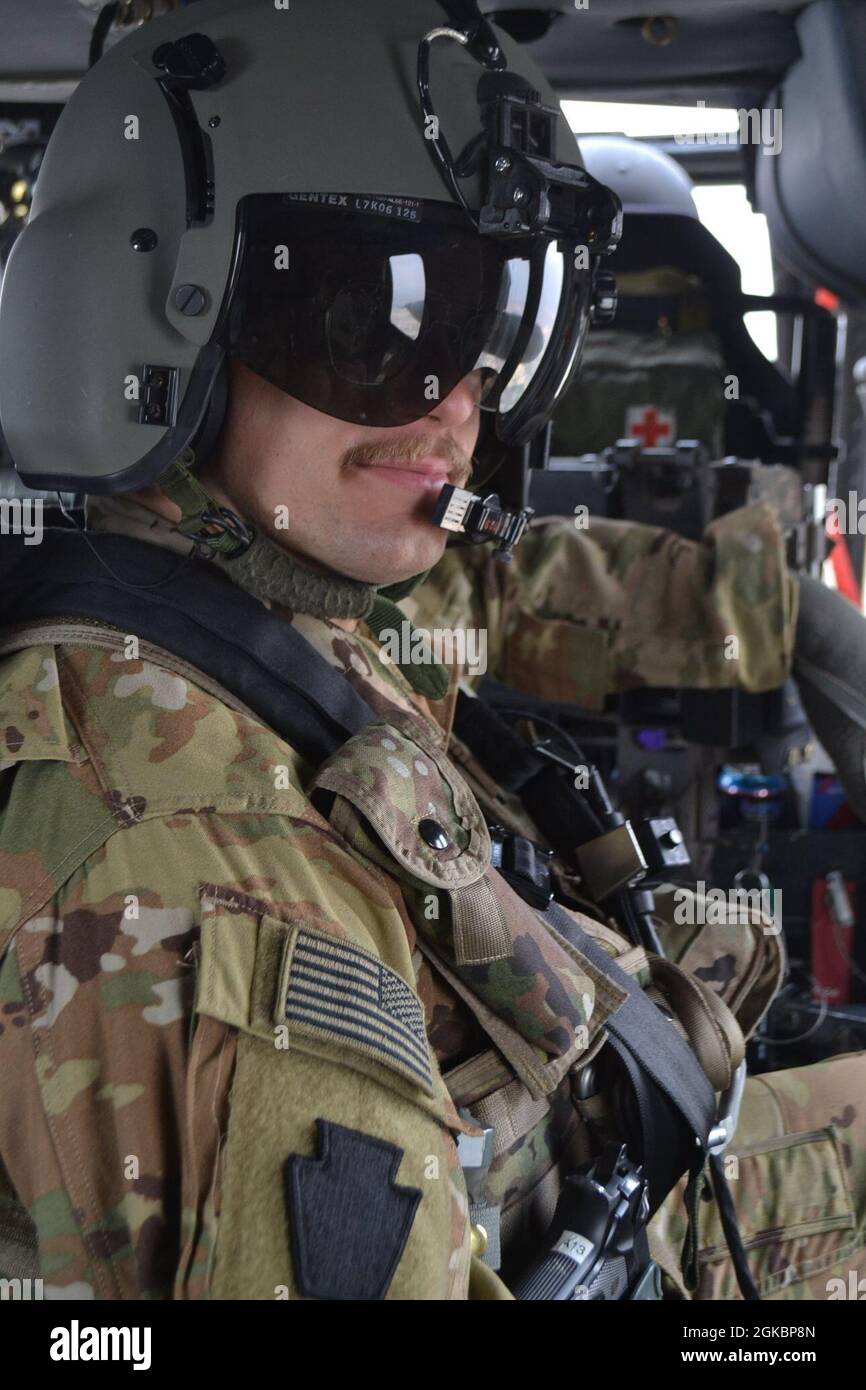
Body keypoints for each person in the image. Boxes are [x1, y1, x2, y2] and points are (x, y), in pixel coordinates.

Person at [0, 0, 863, 1301]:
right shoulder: (216, 899)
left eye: (491, 322)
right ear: (159, 326)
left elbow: (503, 583)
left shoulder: (235, 591)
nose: (455, 400)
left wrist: (779, 607)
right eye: (372, 322)